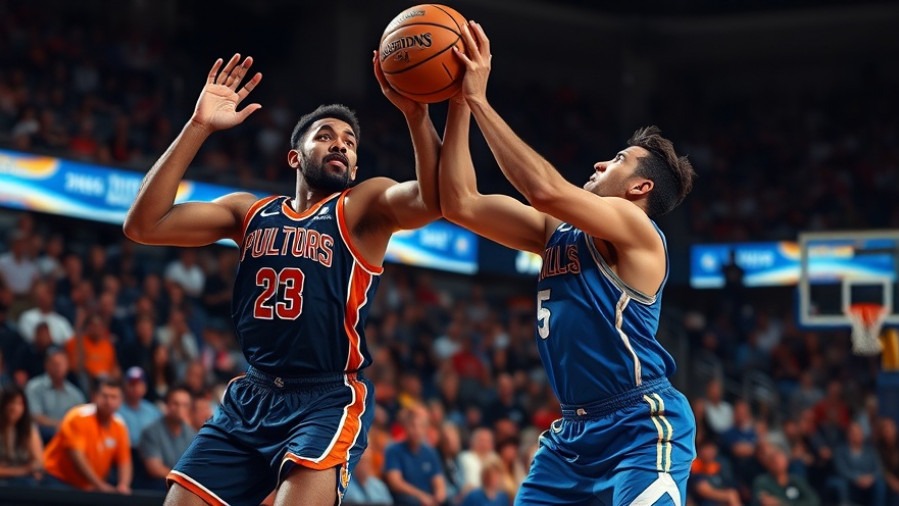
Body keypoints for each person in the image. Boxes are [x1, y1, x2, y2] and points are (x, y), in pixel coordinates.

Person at [123, 52, 440, 506]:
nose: (339, 145)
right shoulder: (248, 211)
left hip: (326, 396)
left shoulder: (362, 207)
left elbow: (434, 198)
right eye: (325, 136)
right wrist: (198, 126)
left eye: (349, 142)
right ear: (295, 156)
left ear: (354, 168)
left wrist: (416, 115)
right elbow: (143, 225)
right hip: (252, 393)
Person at [439, 21, 697, 505]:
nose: (600, 164)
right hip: (572, 437)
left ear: (640, 187)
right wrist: (455, 103)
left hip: (640, 423)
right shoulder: (554, 232)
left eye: (617, 160)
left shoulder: (637, 229)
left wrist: (479, 99)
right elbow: (459, 203)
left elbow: (545, 190)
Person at [42, 378, 132, 493]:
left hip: (89, 486)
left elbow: (124, 461)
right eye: (104, 396)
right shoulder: (78, 417)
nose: (109, 401)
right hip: (58, 479)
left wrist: (123, 485)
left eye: (114, 397)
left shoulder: (119, 425)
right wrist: (100, 486)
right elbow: (77, 457)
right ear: (94, 397)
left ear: (121, 401)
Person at [384, 406, 446, 506]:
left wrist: (439, 496)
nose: (417, 430)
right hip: (407, 499)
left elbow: (439, 481)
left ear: (426, 429)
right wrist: (421, 496)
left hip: (429, 499)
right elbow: (395, 482)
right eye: (413, 425)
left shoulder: (430, 452)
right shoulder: (393, 449)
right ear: (405, 427)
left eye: (421, 426)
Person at [138, 385, 196, 489]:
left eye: (185, 405)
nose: (180, 408)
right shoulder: (151, 432)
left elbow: (195, 467)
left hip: (182, 486)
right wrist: (183, 479)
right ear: (166, 405)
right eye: (175, 404)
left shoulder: (192, 434)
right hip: (158, 487)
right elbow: (154, 469)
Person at [24, 346, 85, 442]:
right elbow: (34, 416)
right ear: (46, 365)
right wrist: (59, 425)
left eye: (62, 363)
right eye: (55, 364)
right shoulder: (34, 387)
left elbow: (81, 419)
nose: (58, 367)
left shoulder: (75, 394)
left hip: (69, 437)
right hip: (42, 436)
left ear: (68, 365)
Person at [0, 387, 44, 486]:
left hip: (23, 480)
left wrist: (33, 469)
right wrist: (23, 470)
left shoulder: (29, 429)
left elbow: (38, 463)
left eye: (19, 404)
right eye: (11, 403)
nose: (14, 408)